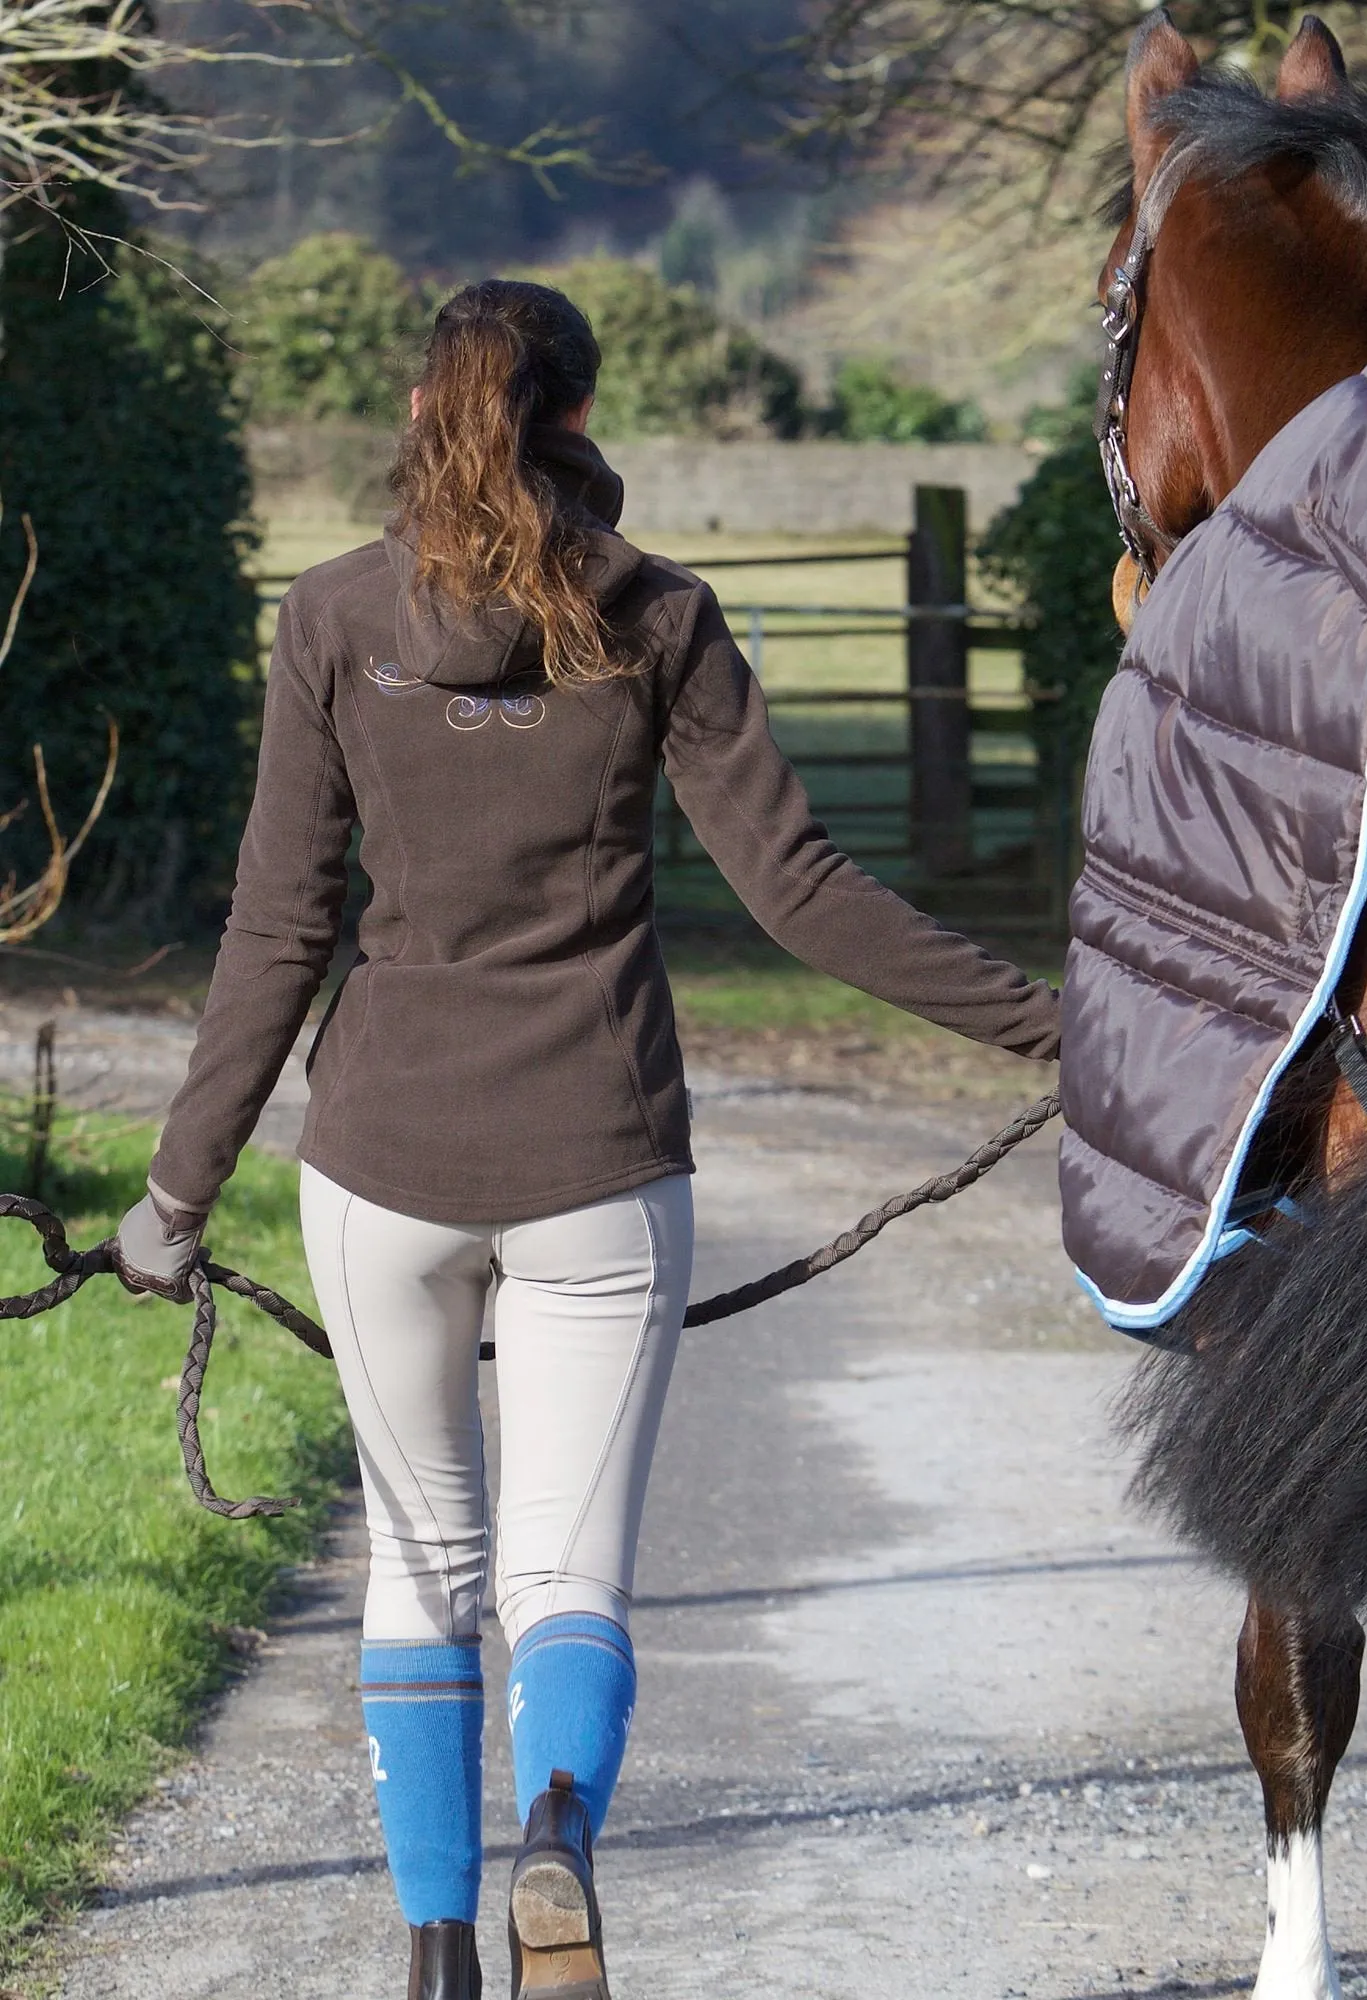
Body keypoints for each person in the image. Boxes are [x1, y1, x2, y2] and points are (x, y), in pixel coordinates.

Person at [113, 279, 1060, 2000]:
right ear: (579, 419)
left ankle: (434, 1953)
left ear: (424, 413)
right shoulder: (661, 617)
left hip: (381, 1170)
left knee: (424, 1562)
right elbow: (803, 895)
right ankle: (556, 1824)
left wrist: (174, 1197)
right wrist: (1061, 1024)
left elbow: (275, 934)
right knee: (566, 1578)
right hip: (600, 1165)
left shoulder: (331, 617)